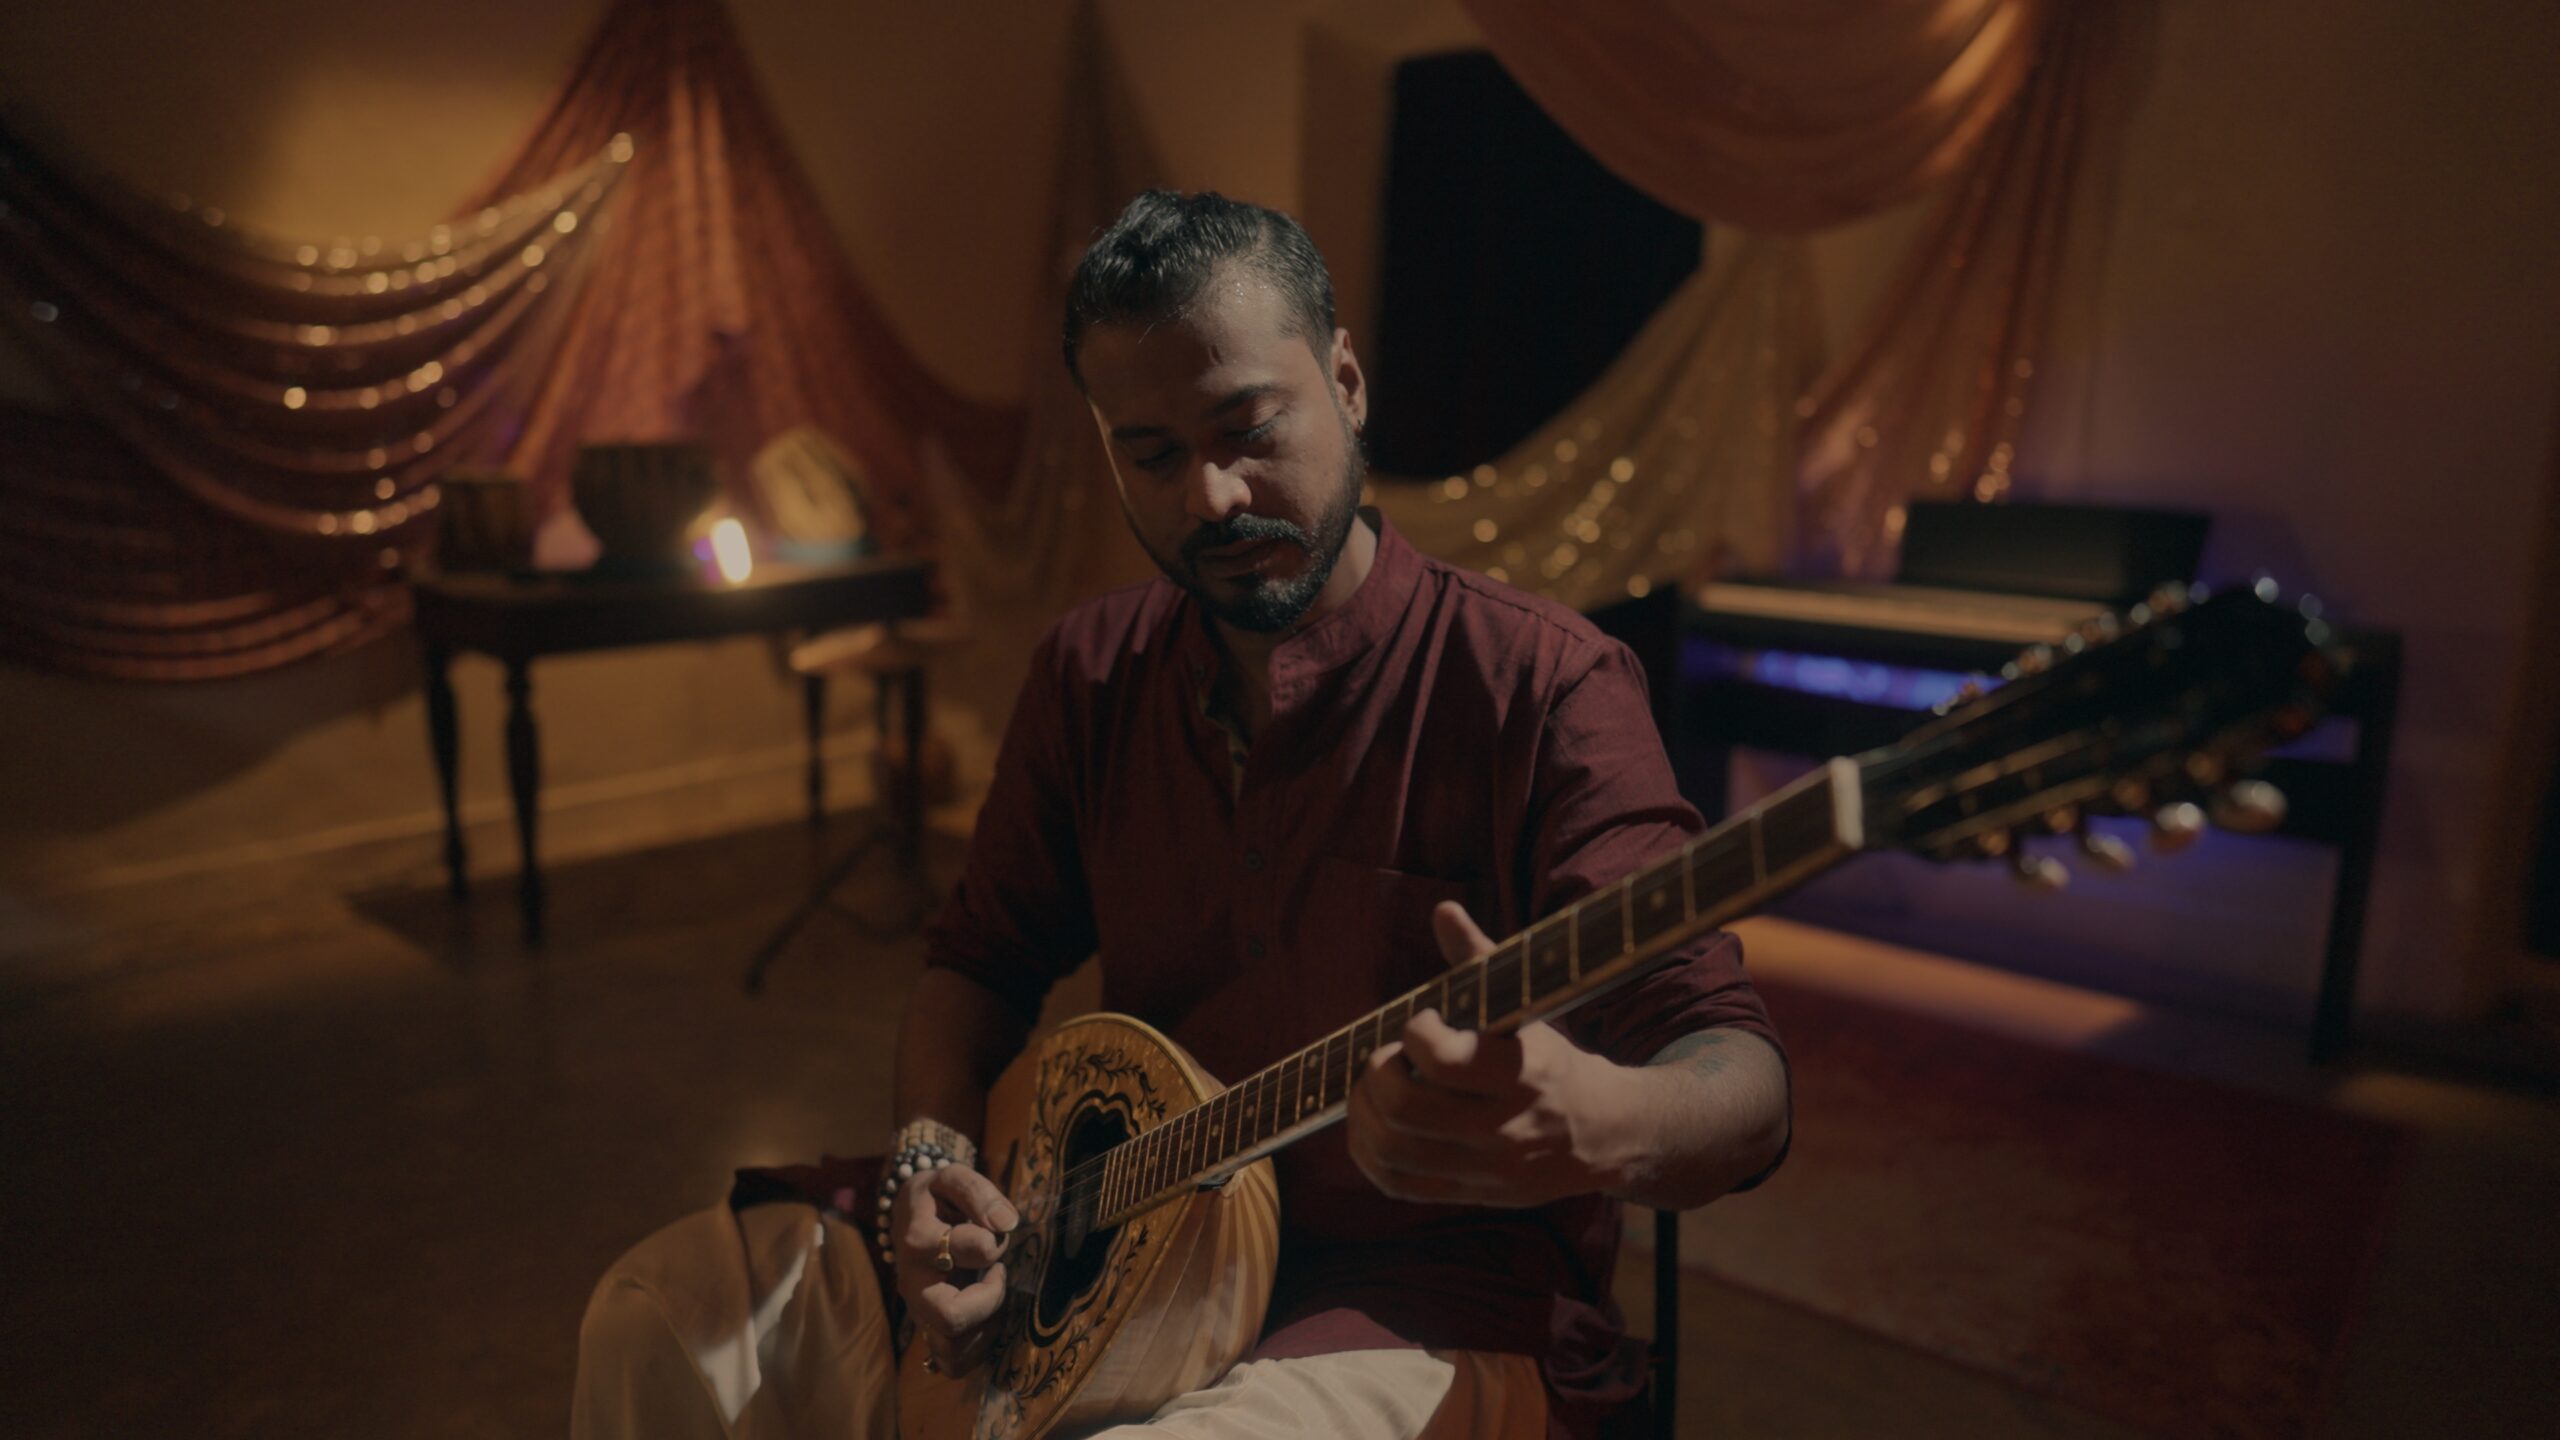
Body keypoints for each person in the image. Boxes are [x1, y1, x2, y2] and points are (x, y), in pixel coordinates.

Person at [572, 189, 1790, 1440]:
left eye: (1248, 428)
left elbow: (1735, 1078)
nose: (1211, 496)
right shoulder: (1089, 674)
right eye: (1152, 455)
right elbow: (976, 963)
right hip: (1098, 1246)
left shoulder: (1544, 684)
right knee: (661, 1310)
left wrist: (1596, 1123)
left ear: (1348, 384)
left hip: (1411, 1297)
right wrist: (931, 1162)